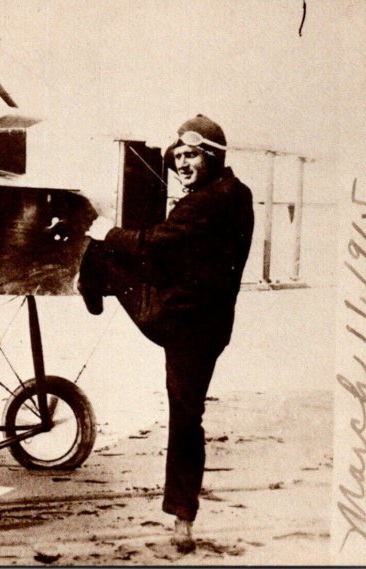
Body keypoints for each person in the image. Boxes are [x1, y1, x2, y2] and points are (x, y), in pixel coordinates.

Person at [79, 115, 254, 553]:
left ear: (212, 157)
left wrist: (106, 231)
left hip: (176, 321)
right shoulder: (238, 194)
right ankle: (183, 519)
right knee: (187, 417)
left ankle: (91, 287)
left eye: (191, 155)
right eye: (178, 157)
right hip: (211, 326)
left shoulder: (205, 203)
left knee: (102, 251)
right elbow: (181, 250)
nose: (182, 164)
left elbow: (154, 243)